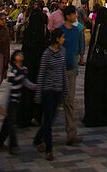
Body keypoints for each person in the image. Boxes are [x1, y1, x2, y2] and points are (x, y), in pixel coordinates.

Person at [34, 27, 68, 160]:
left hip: (58, 89)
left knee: (51, 118)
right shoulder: (46, 54)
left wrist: (65, 89)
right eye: (62, 37)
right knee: (48, 119)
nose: (64, 40)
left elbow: (63, 71)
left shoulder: (62, 52)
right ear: (57, 39)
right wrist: (38, 94)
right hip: (48, 90)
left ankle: (38, 138)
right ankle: (49, 148)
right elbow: (41, 74)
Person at [0, 48, 36, 154]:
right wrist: (4, 106)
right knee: (12, 124)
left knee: (7, 123)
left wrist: (35, 87)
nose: (20, 55)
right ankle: (13, 145)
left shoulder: (23, 70)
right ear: (14, 60)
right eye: (18, 54)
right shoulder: (12, 72)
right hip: (11, 101)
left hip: (18, 100)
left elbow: (25, 82)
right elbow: (8, 89)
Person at [84, 3, 107, 127]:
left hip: (93, 67)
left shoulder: (97, 27)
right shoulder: (103, 28)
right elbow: (106, 42)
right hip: (100, 66)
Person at [18, 4, 48, 128]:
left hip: (27, 69)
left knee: (27, 92)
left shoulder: (28, 33)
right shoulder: (42, 36)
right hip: (37, 70)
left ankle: (25, 116)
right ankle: (34, 116)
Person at [60, 4, 84, 146]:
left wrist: (80, 58)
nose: (76, 16)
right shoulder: (60, 31)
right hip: (59, 70)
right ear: (68, 16)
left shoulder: (77, 31)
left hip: (71, 70)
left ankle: (71, 133)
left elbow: (79, 47)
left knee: (69, 102)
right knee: (52, 104)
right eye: (74, 14)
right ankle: (43, 135)